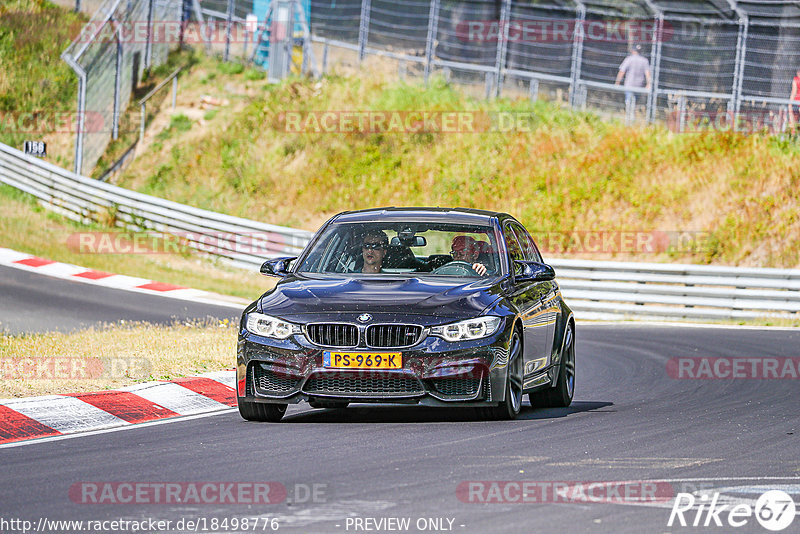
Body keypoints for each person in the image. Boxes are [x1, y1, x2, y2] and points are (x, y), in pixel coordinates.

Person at [615, 45, 652, 112]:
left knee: (628, 102)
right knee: (635, 103)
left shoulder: (629, 59)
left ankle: (628, 117)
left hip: (629, 84)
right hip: (639, 85)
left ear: (632, 51)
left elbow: (622, 71)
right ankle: (632, 116)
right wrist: (648, 84)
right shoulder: (644, 61)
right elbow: (647, 74)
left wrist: (617, 82)